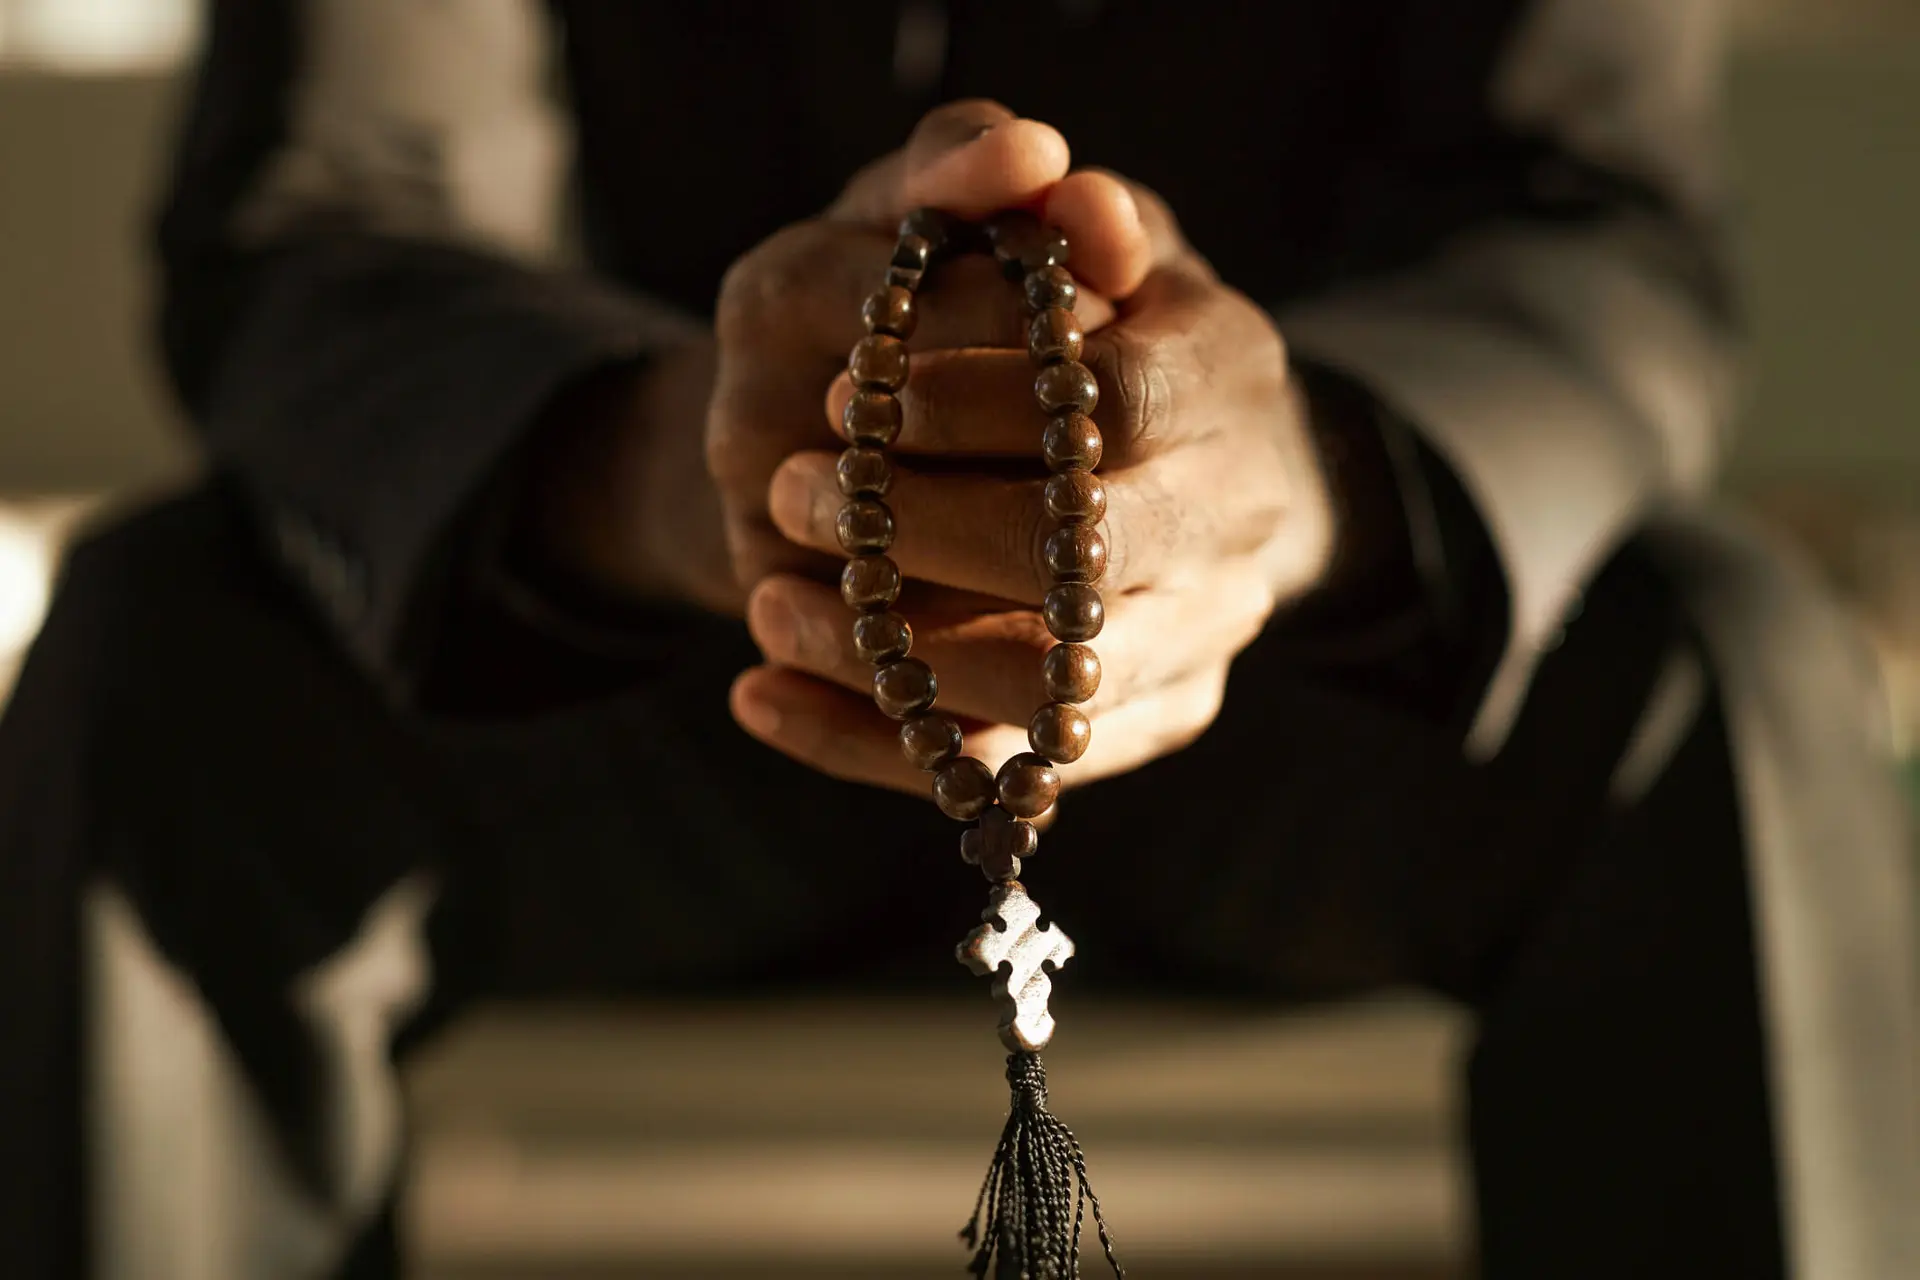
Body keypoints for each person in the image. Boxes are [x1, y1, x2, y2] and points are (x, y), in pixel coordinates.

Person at [1, 1, 1914, 1277]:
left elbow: (1598, 224)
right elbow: (337, 199)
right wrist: (685, 471)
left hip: (1309, 693)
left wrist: (1292, 488)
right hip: (644, 673)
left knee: (1714, 664)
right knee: (169, 657)